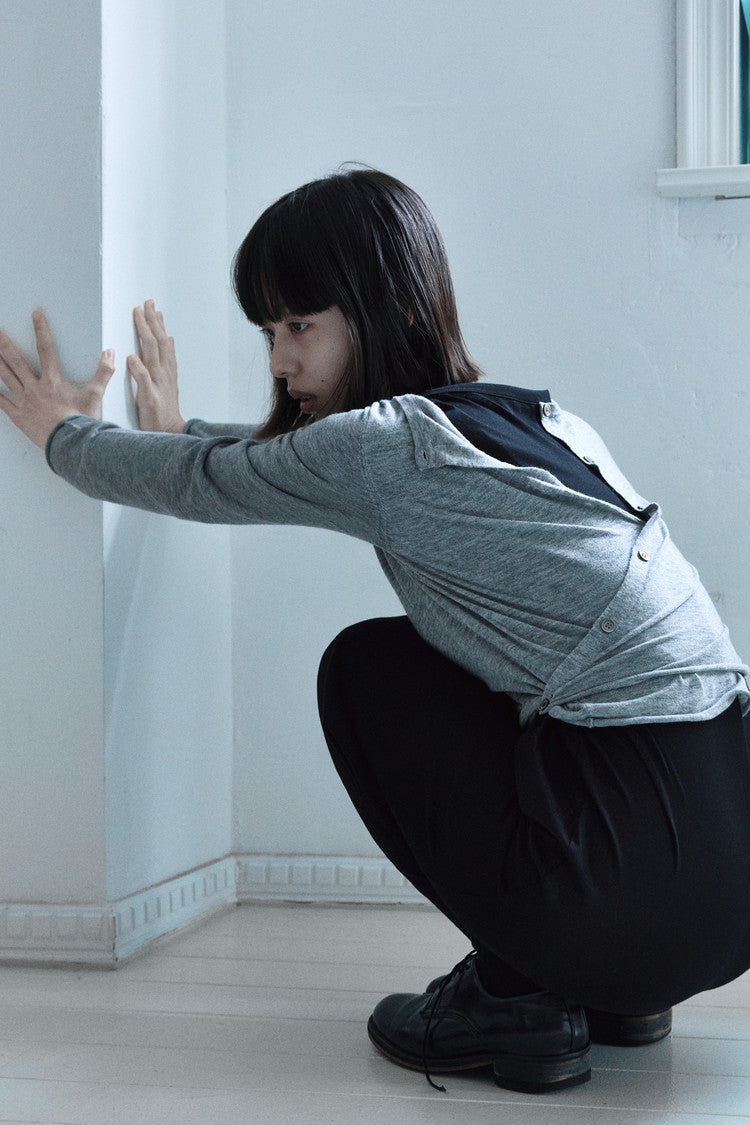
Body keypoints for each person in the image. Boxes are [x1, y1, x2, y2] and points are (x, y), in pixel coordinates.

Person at [1, 167, 749, 1096]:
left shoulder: (385, 446)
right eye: (269, 333)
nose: (279, 362)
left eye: (298, 326)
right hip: (721, 892)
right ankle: (614, 995)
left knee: (371, 671)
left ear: (377, 308)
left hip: (626, 892)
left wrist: (63, 433)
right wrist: (180, 430)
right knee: (465, 673)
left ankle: (516, 997)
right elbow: (279, 463)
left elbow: (222, 482)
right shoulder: (532, 421)